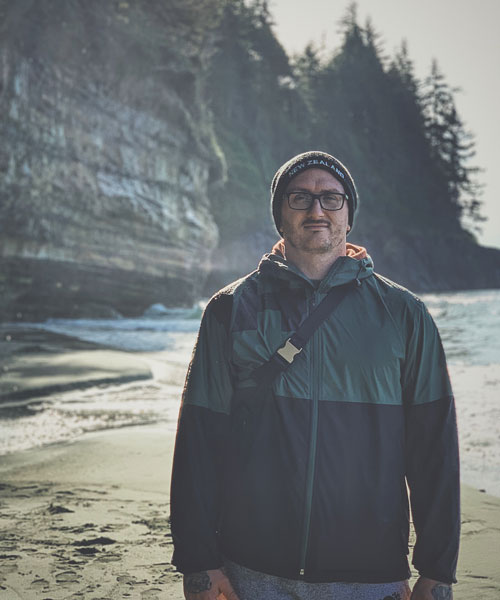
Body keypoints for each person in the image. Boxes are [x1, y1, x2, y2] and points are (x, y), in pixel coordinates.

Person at [170, 151, 460, 600]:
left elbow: (434, 449)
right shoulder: (230, 308)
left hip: (370, 576)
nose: (316, 210)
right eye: (300, 198)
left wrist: (437, 571)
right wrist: (199, 563)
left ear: (349, 215)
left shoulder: (404, 314)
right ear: (279, 215)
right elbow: (198, 440)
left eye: (331, 198)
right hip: (252, 570)